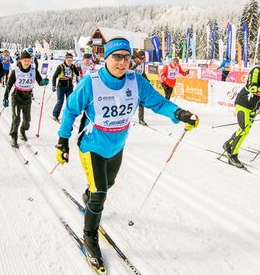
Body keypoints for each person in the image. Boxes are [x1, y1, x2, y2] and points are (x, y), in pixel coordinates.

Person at [54, 37, 199, 272]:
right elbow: (70, 110)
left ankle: (89, 195)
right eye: (116, 57)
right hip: (92, 145)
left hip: (117, 145)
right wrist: (62, 142)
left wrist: (179, 113)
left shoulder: (136, 81)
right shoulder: (91, 82)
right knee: (100, 194)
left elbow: (158, 103)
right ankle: (90, 237)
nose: (122, 62)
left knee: (107, 184)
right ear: (106, 58)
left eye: (126, 57)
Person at [222, 51, 260, 168]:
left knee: (244, 129)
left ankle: (228, 144)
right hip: (243, 103)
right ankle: (232, 155)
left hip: (255, 106)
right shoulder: (258, 70)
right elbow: (252, 87)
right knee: (244, 130)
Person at [3, 50, 48, 147]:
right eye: (25, 60)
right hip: (17, 97)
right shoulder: (16, 71)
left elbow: (40, 82)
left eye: (28, 60)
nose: (27, 62)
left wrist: (44, 82)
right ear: (21, 61)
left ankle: (22, 131)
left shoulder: (34, 71)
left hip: (27, 97)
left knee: (27, 120)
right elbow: (9, 85)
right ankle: (14, 136)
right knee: (16, 118)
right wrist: (5, 97)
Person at [51, 53, 79, 121]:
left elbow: (77, 74)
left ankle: (67, 116)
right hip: (61, 86)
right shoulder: (60, 66)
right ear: (65, 59)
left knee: (70, 101)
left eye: (71, 60)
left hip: (69, 86)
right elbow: (54, 76)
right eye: (68, 60)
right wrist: (54, 85)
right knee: (60, 101)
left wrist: (78, 69)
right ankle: (55, 115)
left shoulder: (73, 66)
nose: (70, 62)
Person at [130, 50, 150, 125]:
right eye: (141, 60)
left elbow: (142, 73)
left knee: (141, 101)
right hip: (130, 85)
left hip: (139, 85)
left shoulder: (142, 64)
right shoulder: (131, 62)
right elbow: (127, 71)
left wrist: (147, 80)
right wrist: (135, 65)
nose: (142, 61)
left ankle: (141, 119)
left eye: (143, 60)